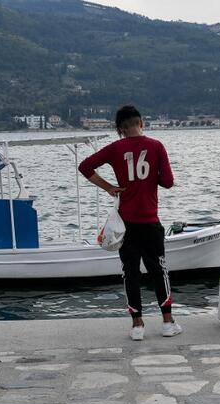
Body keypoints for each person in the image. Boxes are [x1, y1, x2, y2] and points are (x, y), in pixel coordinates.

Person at [78, 105, 179, 341]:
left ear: (120, 129)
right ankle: (167, 322)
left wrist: (110, 188)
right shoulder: (156, 146)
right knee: (159, 271)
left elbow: (85, 166)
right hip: (150, 221)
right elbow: (169, 182)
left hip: (126, 223)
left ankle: (137, 325)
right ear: (141, 122)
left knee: (130, 272)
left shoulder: (115, 148)